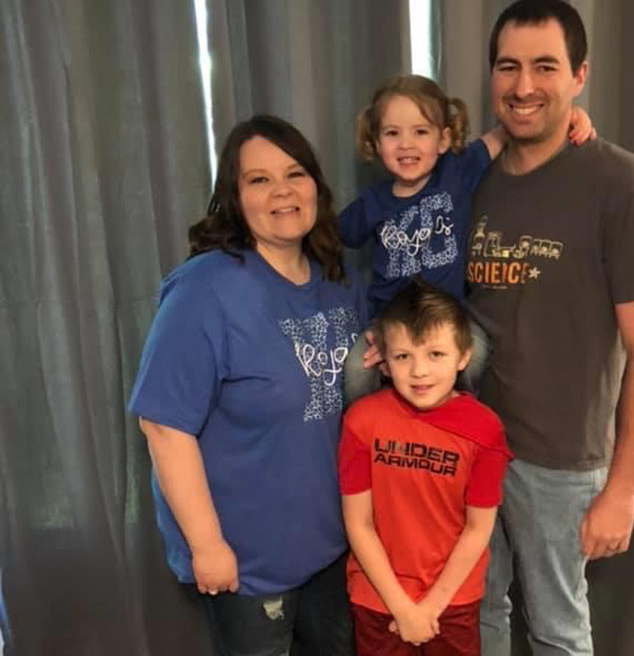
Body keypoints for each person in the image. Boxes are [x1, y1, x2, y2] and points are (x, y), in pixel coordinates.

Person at [466, 0, 634, 656]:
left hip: (559, 461)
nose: (524, 86)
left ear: (579, 75)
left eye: (545, 67)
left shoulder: (624, 185)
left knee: (559, 630)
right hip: (469, 443)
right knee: (481, 612)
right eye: (508, 67)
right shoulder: (467, 180)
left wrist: (622, 490)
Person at [129, 115, 367, 656]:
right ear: (235, 198)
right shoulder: (204, 289)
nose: (281, 191)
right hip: (249, 562)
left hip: (333, 546)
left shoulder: (338, 282)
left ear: (316, 187)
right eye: (258, 180)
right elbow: (164, 425)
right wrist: (207, 545)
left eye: (295, 173)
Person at [339, 75, 595, 404]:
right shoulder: (372, 203)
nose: (406, 144)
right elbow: (330, 239)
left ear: (443, 140)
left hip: (449, 318)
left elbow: (509, 129)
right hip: (392, 322)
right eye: (392, 133)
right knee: (358, 372)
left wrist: (569, 116)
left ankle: (459, 421)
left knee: (476, 356)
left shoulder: (456, 171)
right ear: (375, 143)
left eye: (420, 132)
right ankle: (375, 433)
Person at [338, 280, 512, 655]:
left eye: (435, 354)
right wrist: (402, 607)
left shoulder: (484, 429)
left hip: (451, 602)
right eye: (403, 357)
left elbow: (478, 528)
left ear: (464, 356)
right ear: (384, 360)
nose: (419, 371)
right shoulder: (361, 421)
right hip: (378, 600)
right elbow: (359, 523)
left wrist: (431, 607)